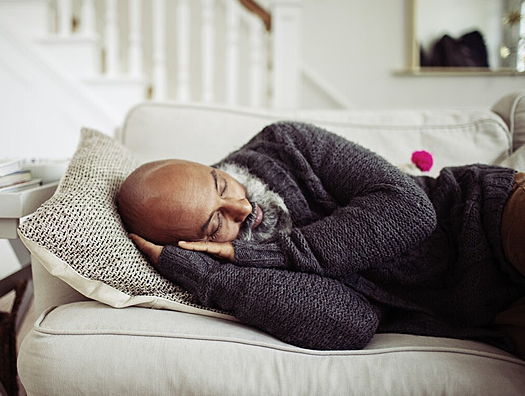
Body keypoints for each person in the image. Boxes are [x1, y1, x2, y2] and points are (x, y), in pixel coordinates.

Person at [116, 121, 525, 357]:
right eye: (214, 224)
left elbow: (410, 211)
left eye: (222, 184)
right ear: (191, 246)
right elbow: (352, 323)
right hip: (489, 310)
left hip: (487, 218)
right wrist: (211, 278)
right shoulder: (233, 269)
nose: (241, 209)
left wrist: (284, 252)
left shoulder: (285, 143)